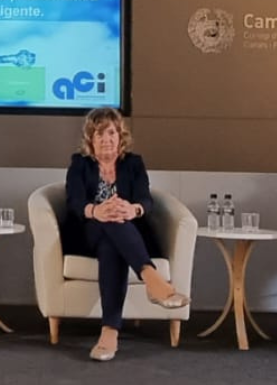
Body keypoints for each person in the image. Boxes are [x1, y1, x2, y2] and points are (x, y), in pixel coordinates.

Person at [62, 107, 187, 362]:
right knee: (110, 219)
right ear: (90, 139)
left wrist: (133, 209)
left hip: (125, 235)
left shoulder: (133, 163)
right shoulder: (80, 164)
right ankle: (151, 277)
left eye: (111, 133)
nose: (106, 139)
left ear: (120, 136)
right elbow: (74, 201)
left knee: (112, 242)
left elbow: (145, 199)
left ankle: (109, 332)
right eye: (99, 134)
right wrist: (97, 210)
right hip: (88, 233)